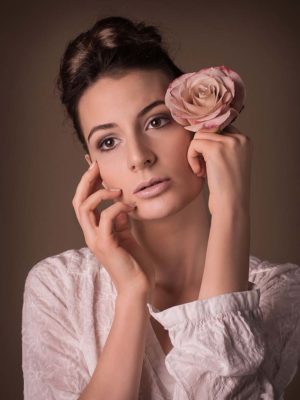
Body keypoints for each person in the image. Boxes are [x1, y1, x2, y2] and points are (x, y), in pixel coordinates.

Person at [21, 16, 300, 400]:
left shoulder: (281, 294)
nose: (138, 157)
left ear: (199, 126)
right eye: (108, 142)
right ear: (94, 168)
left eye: (157, 120)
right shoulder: (58, 286)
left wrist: (231, 208)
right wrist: (132, 295)